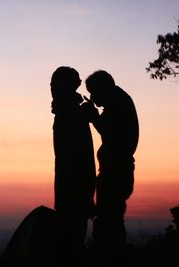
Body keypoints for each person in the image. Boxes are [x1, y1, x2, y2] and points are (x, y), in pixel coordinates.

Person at [84, 70, 139, 266]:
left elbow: (109, 130)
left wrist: (92, 116)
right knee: (111, 221)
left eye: (93, 91)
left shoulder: (117, 103)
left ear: (103, 88)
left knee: (108, 224)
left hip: (115, 172)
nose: (91, 96)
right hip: (118, 170)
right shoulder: (119, 101)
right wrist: (95, 116)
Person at [50, 66, 96, 266]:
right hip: (75, 193)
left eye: (54, 85)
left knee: (71, 250)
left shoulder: (69, 115)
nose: (51, 89)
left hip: (73, 194)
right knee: (72, 247)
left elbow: (75, 161)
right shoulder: (72, 113)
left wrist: (81, 196)